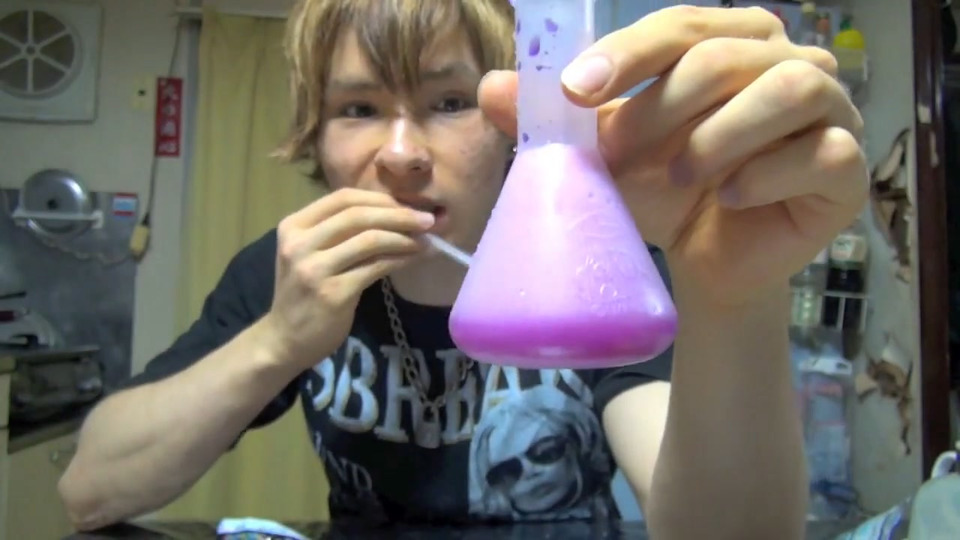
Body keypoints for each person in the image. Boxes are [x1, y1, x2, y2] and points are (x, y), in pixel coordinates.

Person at [58, 1, 866, 538]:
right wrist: (278, 341)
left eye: (449, 103)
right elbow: (89, 488)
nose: (401, 155)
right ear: (317, 136)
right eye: (358, 109)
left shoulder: (595, 264)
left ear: (517, 118)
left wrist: (735, 297)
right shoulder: (290, 272)